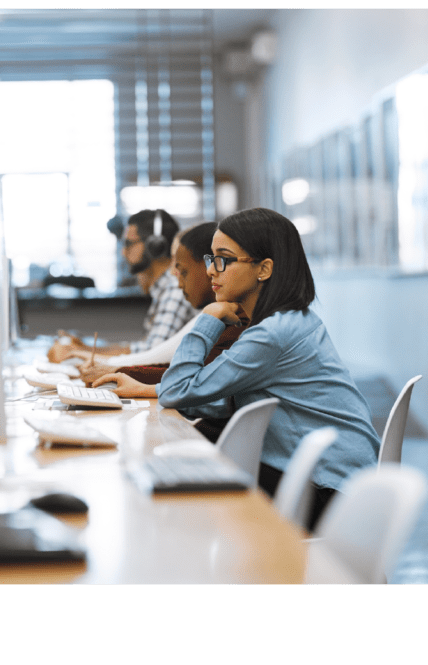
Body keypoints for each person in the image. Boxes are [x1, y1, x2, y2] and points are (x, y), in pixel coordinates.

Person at [155, 207, 381, 531]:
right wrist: (163, 391)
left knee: (193, 496)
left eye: (223, 259)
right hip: (340, 479)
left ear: (264, 269)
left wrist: (208, 318)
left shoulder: (272, 335)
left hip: (329, 491)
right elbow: (216, 396)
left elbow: (178, 391)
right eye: (210, 259)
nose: (210, 271)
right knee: (197, 469)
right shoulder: (287, 322)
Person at [87, 223, 250, 441]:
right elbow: (180, 374)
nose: (173, 274)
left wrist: (119, 371)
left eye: (181, 268)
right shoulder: (226, 316)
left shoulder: (240, 324)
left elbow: (190, 384)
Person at [47, 209, 195, 361]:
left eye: (129, 244)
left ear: (154, 246)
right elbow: (145, 348)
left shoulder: (175, 289)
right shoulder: (164, 289)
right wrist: (85, 349)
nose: (123, 252)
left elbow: (151, 355)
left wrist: (80, 351)